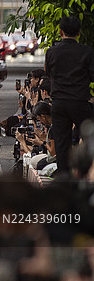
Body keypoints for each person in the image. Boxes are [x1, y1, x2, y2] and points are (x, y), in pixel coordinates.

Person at [44, 16, 94, 178]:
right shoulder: (87, 52)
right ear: (79, 32)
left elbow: (49, 73)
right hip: (80, 102)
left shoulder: (51, 52)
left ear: (60, 32)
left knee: (61, 141)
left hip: (58, 102)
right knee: (88, 138)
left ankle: (64, 179)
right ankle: (86, 173)